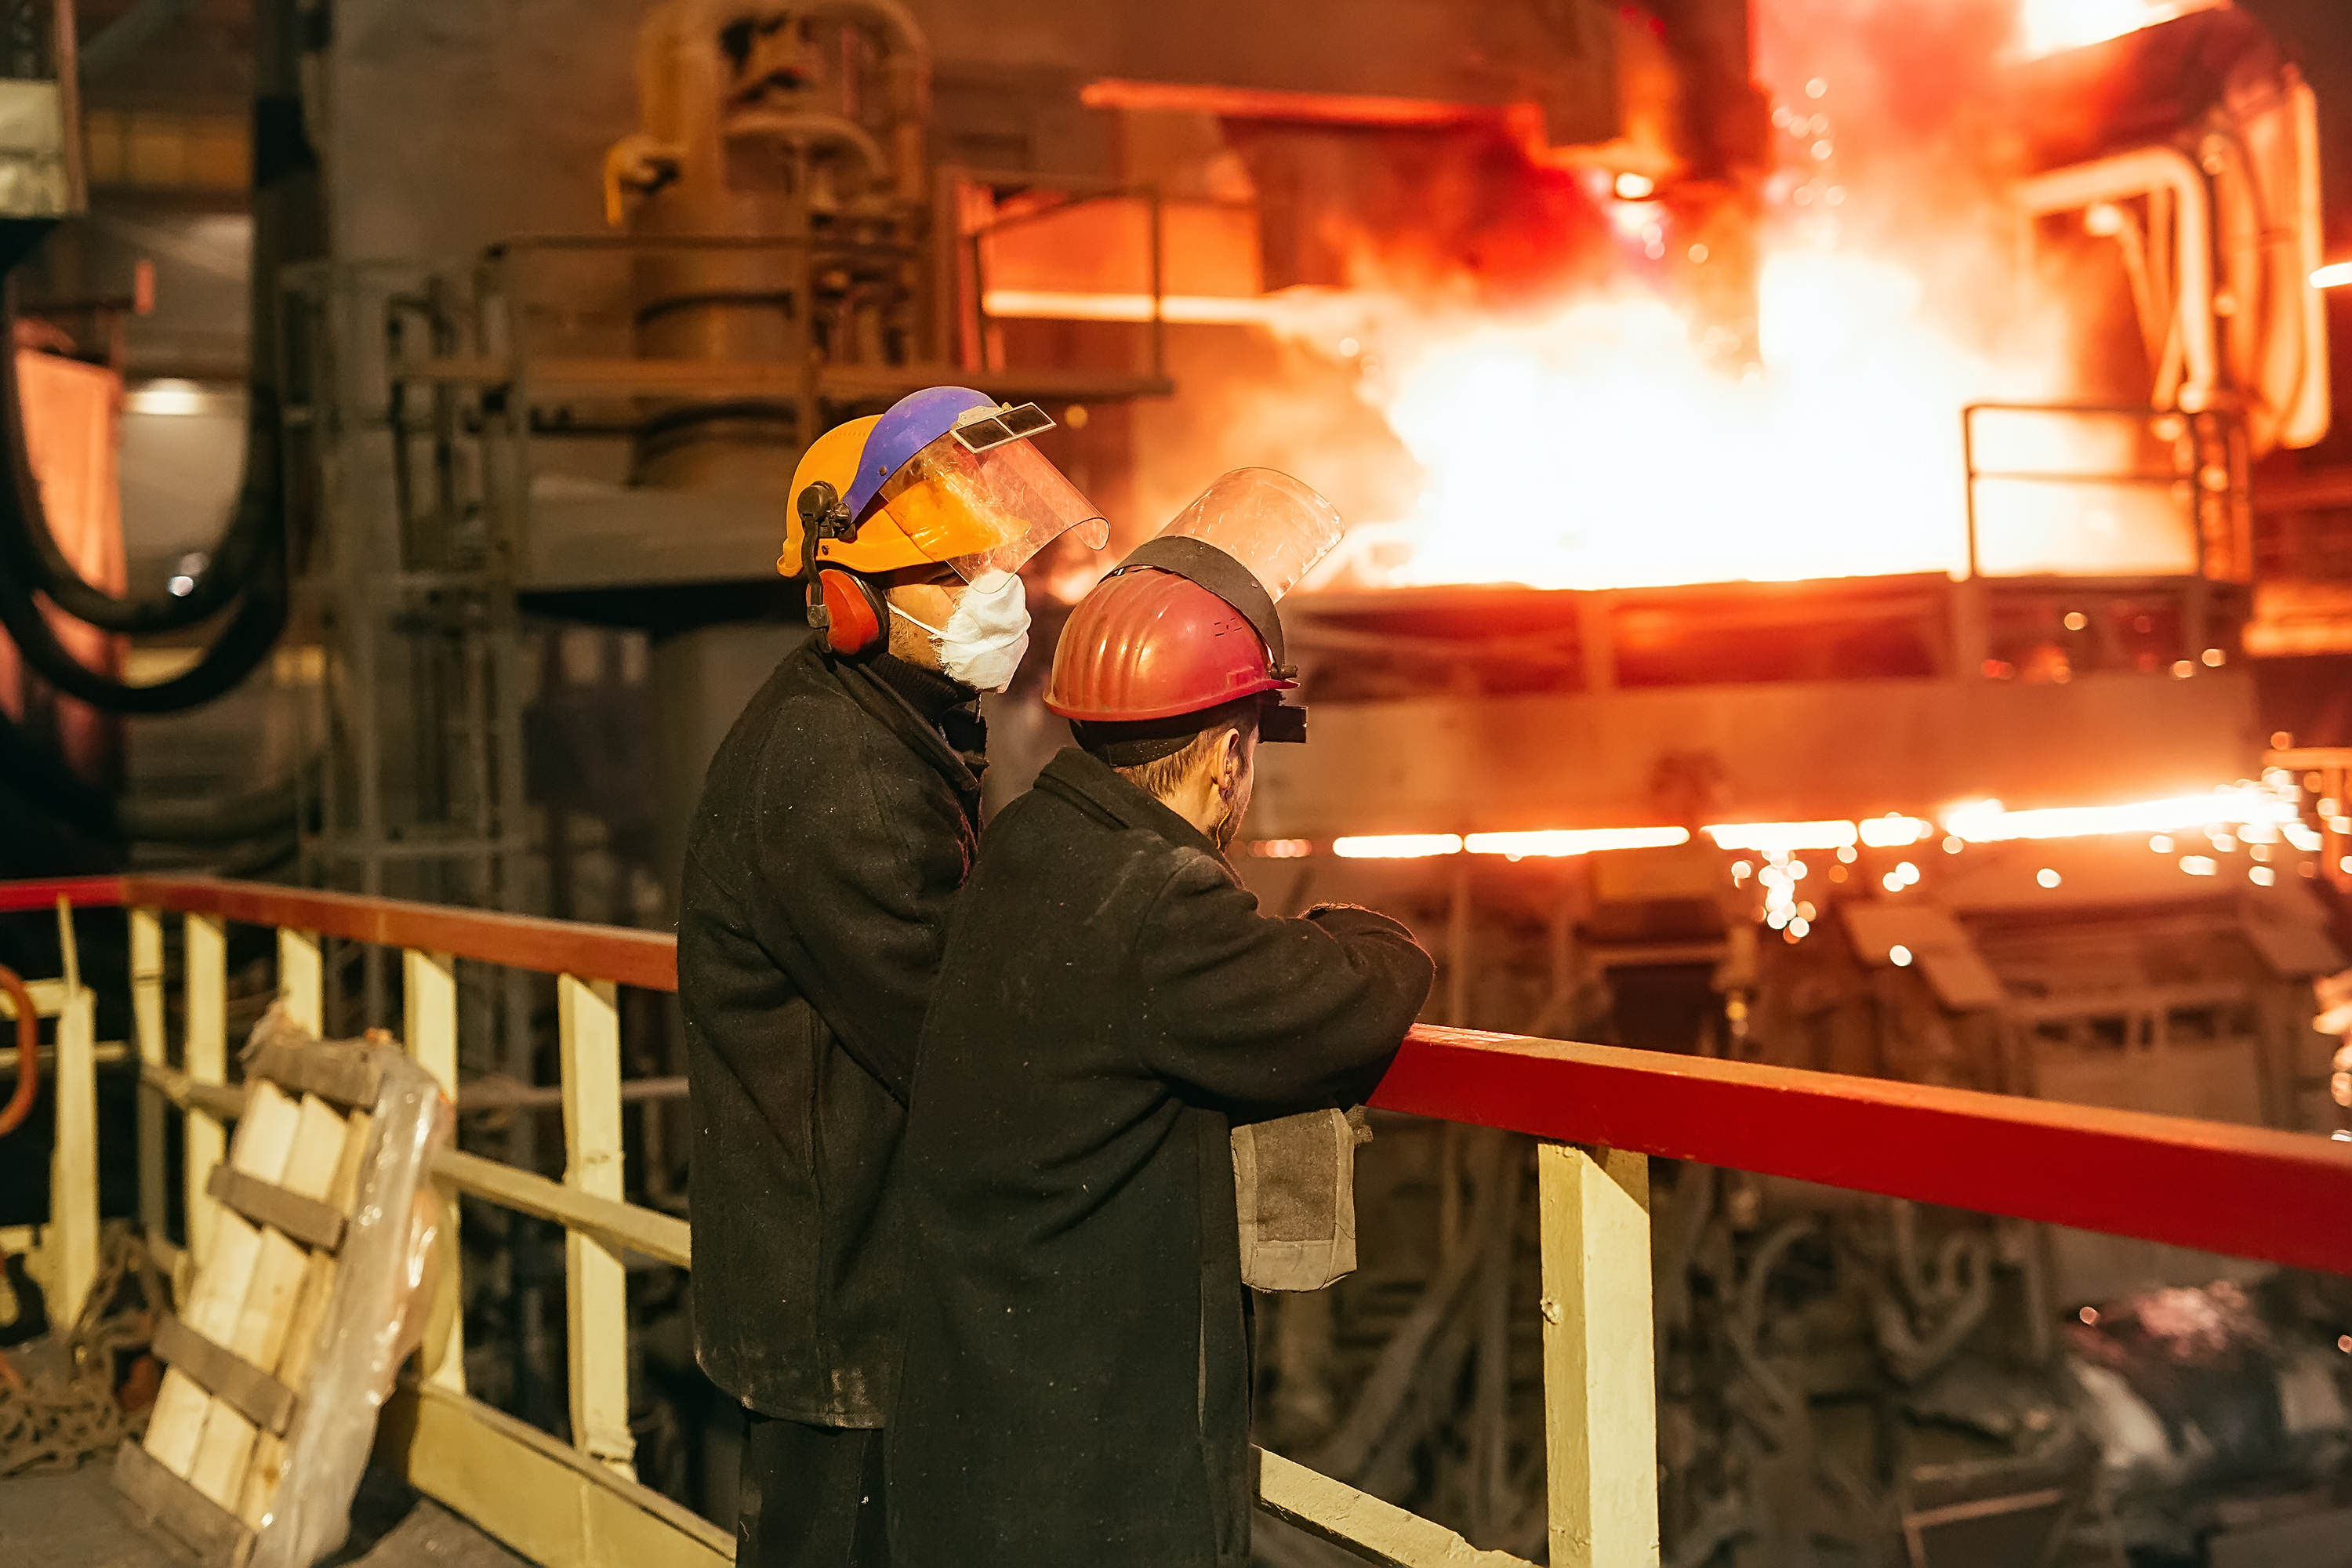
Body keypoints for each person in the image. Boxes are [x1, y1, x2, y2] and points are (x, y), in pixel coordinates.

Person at [887, 470, 1436, 1566]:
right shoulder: (1158, 909)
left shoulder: (1034, 842)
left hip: (981, 1421)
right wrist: (1365, 930)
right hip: (1087, 1481)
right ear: (1230, 756)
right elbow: (1359, 990)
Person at [679, 387, 1106, 1567]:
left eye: (997, 562)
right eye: (957, 573)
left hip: (857, 1263)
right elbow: (951, 1036)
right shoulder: (842, 774)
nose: (1001, 593)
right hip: (844, 1293)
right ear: (848, 599)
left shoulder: (890, 718)